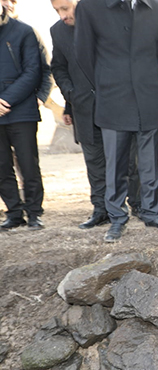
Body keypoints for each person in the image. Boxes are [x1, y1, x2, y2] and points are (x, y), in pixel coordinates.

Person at [75, 0, 158, 242]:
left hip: (148, 96)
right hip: (113, 98)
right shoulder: (90, 7)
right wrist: (109, 81)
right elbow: (84, 55)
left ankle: (152, 213)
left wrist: (142, 78)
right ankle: (117, 218)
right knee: (115, 165)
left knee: (150, 163)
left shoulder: (156, 7)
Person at [50, 0, 140, 229]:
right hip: (84, 108)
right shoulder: (57, 31)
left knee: (129, 159)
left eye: (65, 8)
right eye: (57, 11)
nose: (62, 16)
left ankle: (138, 205)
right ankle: (101, 210)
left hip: (118, 104)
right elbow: (59, 67)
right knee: (95, 162)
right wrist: (71, 96)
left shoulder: (107, 21)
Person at [0, 4, 44, 230]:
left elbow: (33, 71)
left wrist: (6, 100)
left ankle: (34, 213)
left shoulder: (24, 31)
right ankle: (14, 213)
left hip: (22, 111)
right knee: (1, 166)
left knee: (28, 164)